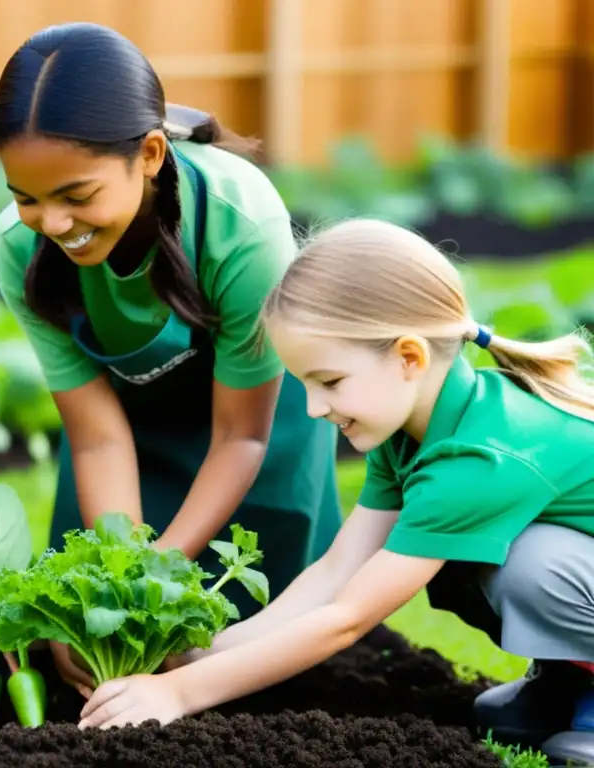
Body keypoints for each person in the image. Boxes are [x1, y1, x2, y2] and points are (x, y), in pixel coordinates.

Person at [75, 217, 594, 765]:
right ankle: (568, 680)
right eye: (305, 384)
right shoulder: (414, 434)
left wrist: (177, 695)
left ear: (409, 358)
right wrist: (202, 655)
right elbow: (337, 571)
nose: (314, 408)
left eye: (330, 382)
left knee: (529, 565)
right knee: (465, 554)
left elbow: (345, 618)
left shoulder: (479, 460)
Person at [0, 21, 343, 696]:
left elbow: (241, 434)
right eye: (26, 196)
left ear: (149, 154)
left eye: (77, 195)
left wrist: (158, 579)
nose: (52, 223)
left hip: (254, 423)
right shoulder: (19, 246)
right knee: (85, 644)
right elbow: (96, 437)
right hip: (127, 424)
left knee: (253, 657)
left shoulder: (242, 226)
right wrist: (121, 581)